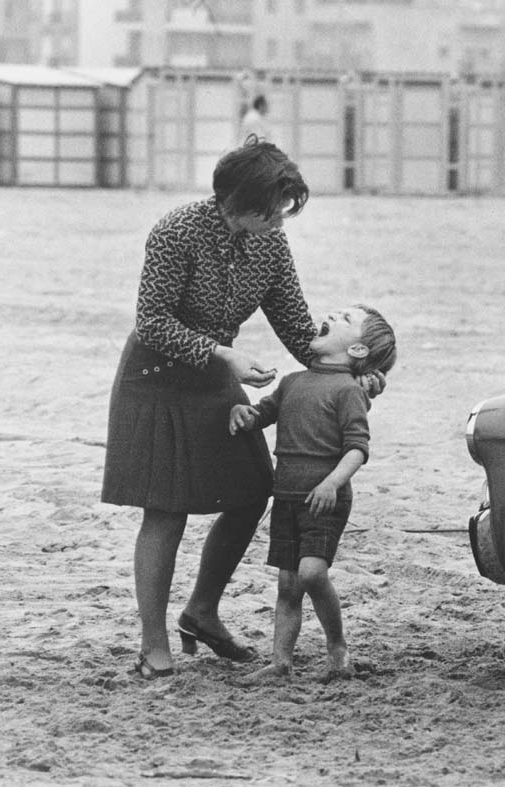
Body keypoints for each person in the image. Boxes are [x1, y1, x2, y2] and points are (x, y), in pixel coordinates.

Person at [102, 139, 382, 680]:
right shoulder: (176, 231)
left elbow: (302, 332)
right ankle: (152, 645)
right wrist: (223, 352)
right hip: (156, 378)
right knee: (166, 509)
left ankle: (201, 613)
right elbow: (153, 321)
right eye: (275, 207)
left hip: (214, 380)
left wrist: (358, 376)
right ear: (242, 200)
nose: (281, 219)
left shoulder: (271, 247)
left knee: (255, 489)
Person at [232, 304, 397, 684]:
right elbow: (263, 413)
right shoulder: (293, 381)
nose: (333, 316)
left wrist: (332, 484)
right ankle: (280, 663)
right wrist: (244, 414)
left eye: (345, 320)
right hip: (287, 497)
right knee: (288, 585)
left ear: (357, 351)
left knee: (311, 572)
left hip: (326, 499)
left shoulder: (347, 391)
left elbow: (357, 448)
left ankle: (337, 647)